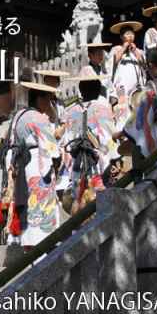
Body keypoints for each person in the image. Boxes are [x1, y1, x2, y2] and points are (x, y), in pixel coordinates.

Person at [0, 81, 61, 249]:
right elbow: (53, 150)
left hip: (21, 167)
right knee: (41, 213)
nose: (49, 104)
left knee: (26, 210)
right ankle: (41, 253)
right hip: (37, 165)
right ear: (40, 99)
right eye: (48, 99)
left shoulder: (19, 116)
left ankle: (26, 246)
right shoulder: (38, 118)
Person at [59, 67, 120, 215]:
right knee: (102, 209)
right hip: (99, 167)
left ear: (80, 88)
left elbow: (65, 143)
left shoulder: (70, 112)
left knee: (79, 208)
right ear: (98, 87)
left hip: (77, 169)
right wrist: (115, 159)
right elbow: (110, 141)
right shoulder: (103, 108)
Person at [108, 21, 146, 130]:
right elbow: (112, 62)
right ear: (121, 37)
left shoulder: (138, 51)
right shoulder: (116, 49)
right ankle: (123, 131)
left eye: (132, 33)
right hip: (122, 86)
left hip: (136, 86)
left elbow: (144, 64)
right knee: (123, 111)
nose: (130, 36)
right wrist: (124, 48)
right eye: (127, 34)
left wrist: (135, 52)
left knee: (138, 109)